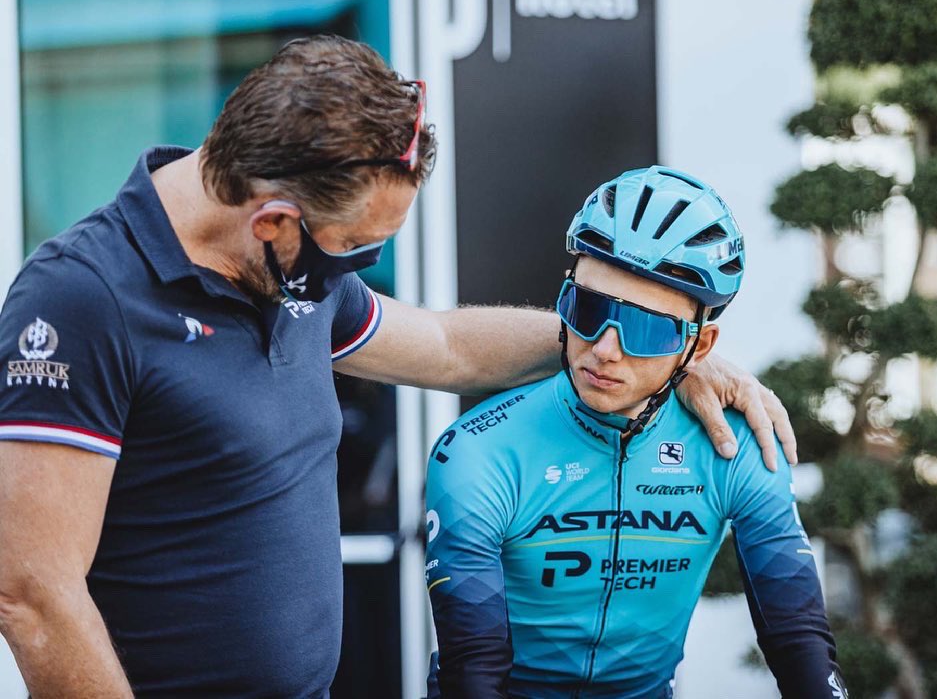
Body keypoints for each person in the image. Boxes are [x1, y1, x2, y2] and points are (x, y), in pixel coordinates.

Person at [0, 37, 794, 697]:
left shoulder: (289, 277)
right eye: (359, 249)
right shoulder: (81, 299)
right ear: (275, 221)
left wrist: (637, 344)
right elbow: (35, 596)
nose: (362, 267)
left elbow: (448, 346)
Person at [425, 167, 847, 699]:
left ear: (699, 347)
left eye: (646, 329)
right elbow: (475, 669)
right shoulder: (478, 450)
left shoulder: (734, 445)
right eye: (589, 307)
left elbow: (799, 639)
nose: (605, 347)